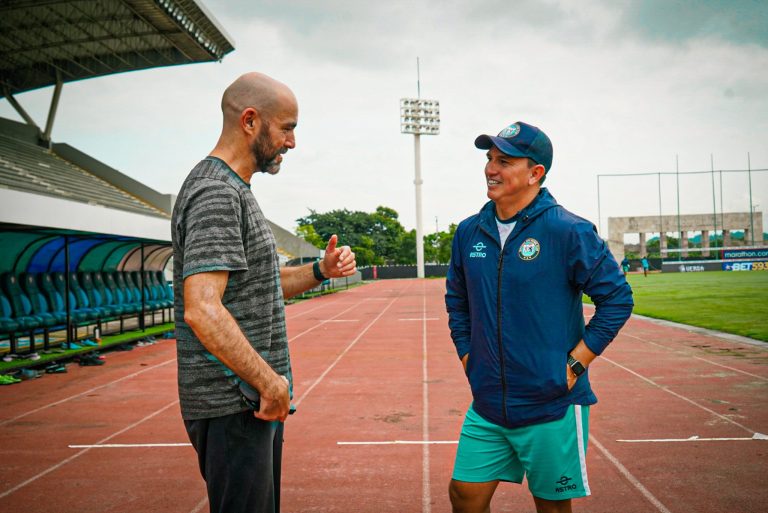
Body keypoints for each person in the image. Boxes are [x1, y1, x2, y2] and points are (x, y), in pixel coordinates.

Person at [171, 72, 356, 513]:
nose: (292, 142)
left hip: (244, 402)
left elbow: (259, 285)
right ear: (250, 121)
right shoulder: (217, 192)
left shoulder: (234, 189)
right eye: (287, 127)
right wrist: (267, 381)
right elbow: (202, 308)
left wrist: (319, 270)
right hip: (233, 402)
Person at [445, 121, 634, 513]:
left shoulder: (569, 230)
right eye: (489, 159)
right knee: (464, 493)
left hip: (552, 403)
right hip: (488, 404)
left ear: (535, 173)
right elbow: (457, 301)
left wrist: (576, 364)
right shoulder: (468, 232)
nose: (491, 169)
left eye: (505, 161)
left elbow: (617, 299)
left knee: (550, 505)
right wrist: (468, 355)